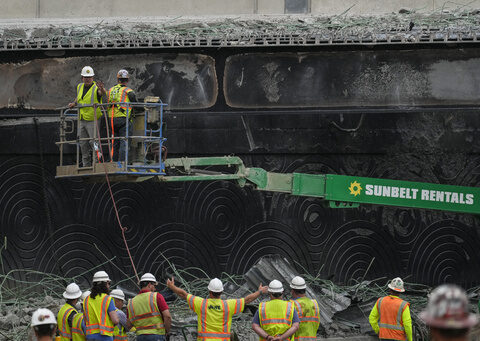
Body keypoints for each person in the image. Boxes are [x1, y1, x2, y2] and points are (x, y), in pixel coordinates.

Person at [167, 276, 268, 341]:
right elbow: (247, 300)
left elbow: (183, 294)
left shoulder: (201, 303)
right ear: (221, 292)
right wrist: (259, 292)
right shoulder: (228, 305)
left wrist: (172, 287)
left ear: (209, 292)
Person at [68, 66, 106, 167]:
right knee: (83, 143)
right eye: (85, 77)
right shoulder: (80, 86)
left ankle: (97, 163)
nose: (87, 79)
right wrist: (74, 103)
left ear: (92, 77)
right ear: (82, 77)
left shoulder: (96, 88)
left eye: (89, 77)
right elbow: (79, 97)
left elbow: (101, 93)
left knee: (94, 142)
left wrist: (102, 89)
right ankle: (86, 165)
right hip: (82, 119)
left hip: (93, 119)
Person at [127, 273, 172, 340]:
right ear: (149, 285)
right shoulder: (156, 296)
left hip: (140, 337)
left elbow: (129, 325)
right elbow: (167, 316)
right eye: (154, 285)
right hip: (157, 335)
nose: (155, 288)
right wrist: (167, 332)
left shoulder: (131, 302)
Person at [106, 69, 138, 162]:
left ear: (117, 79)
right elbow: (136, 104)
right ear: (127, 80)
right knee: (124, 142)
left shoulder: (110, 90)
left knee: (114, 143)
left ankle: (113, 163)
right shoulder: (128, 91)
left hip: (111, 120)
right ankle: (123, 164)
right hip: (123, 119)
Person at [369, 277, 412, 341]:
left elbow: (372, 318)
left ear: (390, 289)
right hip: (399, 338)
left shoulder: (380, 301)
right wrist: (410, 339)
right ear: (400, 292)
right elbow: (407, 325)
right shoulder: (404, 305)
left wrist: (378, 331)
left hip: (384, 336)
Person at [83, 271, 119, 340]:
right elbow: (115, 320)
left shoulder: (86, 300)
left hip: (90, 336)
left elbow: (85, 321)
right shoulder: (107, 299)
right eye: (109, 283)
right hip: (105, 336)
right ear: (105, 284)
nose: (109, 286)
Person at [289, 276, 320, 340]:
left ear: (292, 291)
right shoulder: (314, 303)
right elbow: (316, 324)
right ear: (305, 290)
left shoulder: (292, 304)